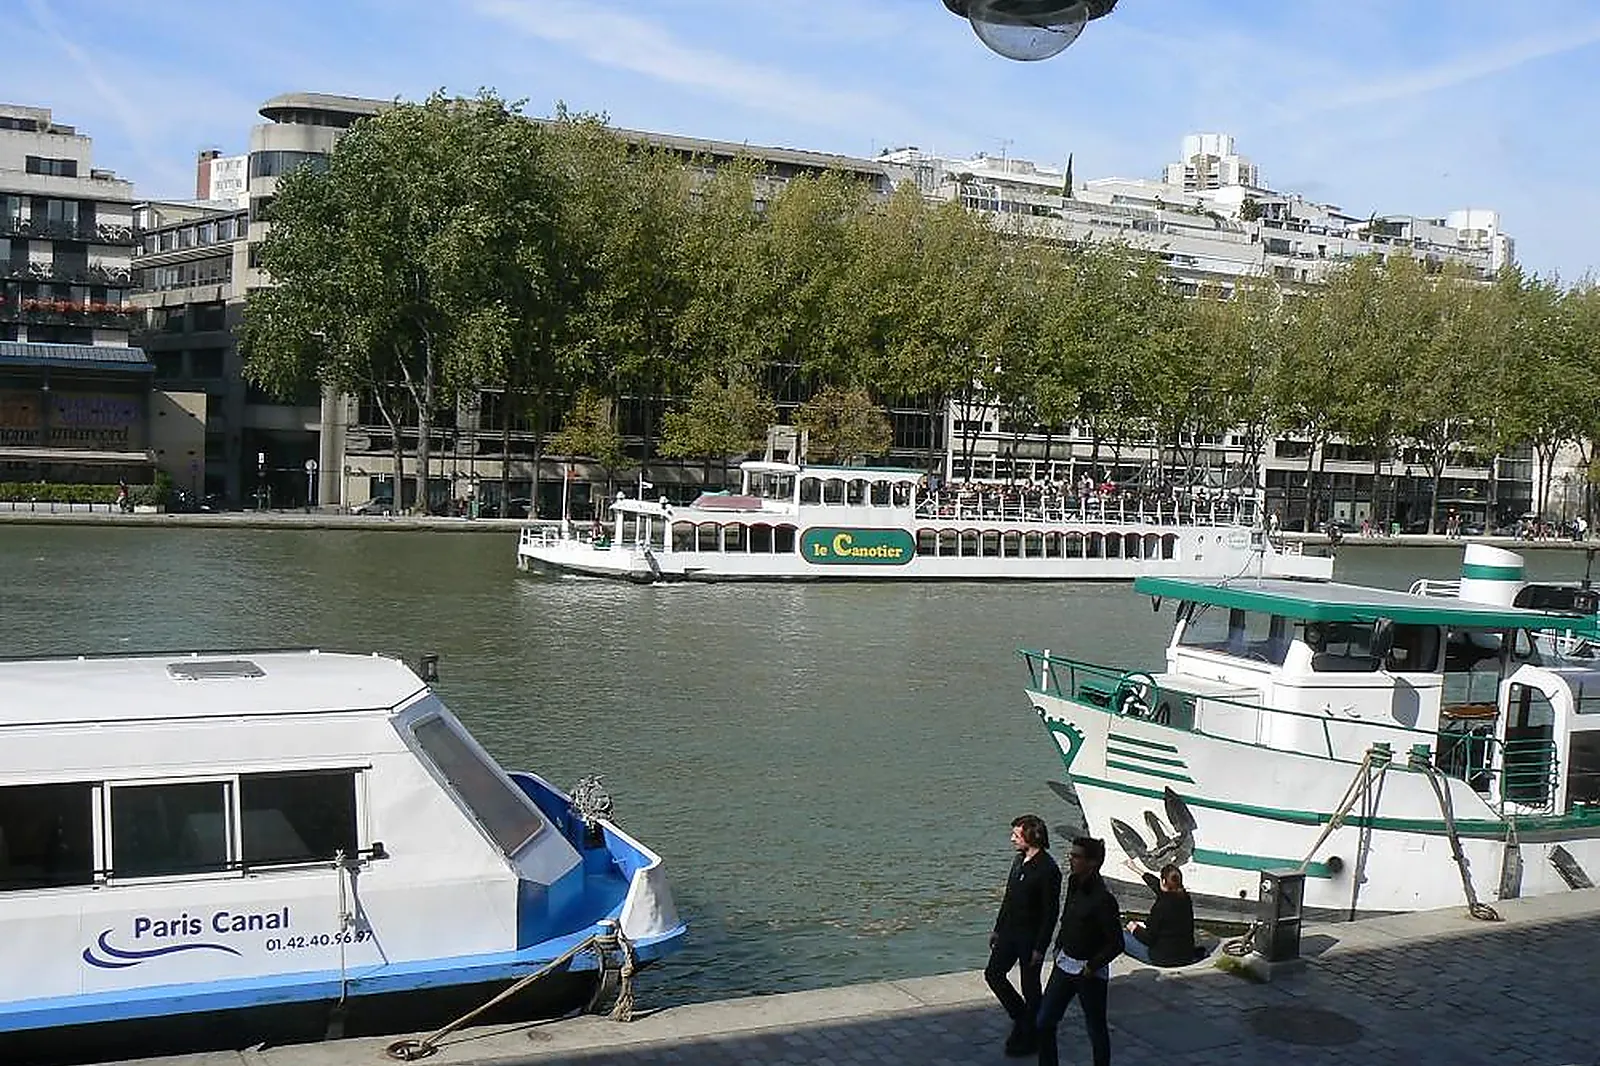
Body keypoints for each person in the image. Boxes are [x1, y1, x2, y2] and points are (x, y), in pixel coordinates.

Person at [1035, 836, 1121, 1066]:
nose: (1070, 859)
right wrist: (1059, 947)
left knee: (1095, 1027)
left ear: (1091, 863)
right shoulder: (1073, 882)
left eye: (1076, 856)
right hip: (1064, 964)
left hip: (1088, 972)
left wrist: (1092, 967)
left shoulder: (1104, 900)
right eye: (1071, 854)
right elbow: (1067, 919)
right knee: (1044, 1021)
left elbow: (1116, 943)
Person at [986, 815, 1061, 1057]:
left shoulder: (1048, 870)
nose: (1012, 839)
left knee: (1030, 986)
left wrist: (1041, 947)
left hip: (1030, 937)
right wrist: (998, 928)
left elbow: (1050, 913)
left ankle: (1033, 1033)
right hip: (1009, 932)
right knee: (993, 974)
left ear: (1032, 837)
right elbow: (1009, 898)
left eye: (1016, 835)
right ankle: (1021, 1016)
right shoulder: (1019, 861)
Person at [1122, 864, 1196, 967]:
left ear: (1164, 881)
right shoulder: (1185, 898)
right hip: (1186, 956)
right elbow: (1157, 885)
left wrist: (1134, 928)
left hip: (1162, 958)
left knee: (1121, 935)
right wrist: (1137, 870)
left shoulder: (1161, 907)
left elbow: (1148, 939)